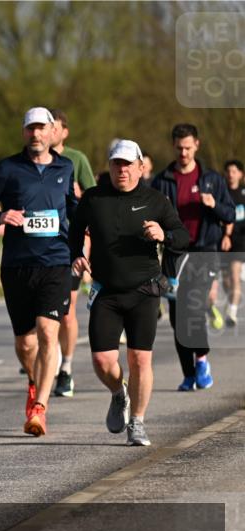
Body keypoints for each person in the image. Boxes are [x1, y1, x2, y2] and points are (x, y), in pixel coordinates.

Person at [70, 140, 188, 445]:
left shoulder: (156, 200)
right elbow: (73, 230)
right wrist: (75, 254)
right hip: (106, 292)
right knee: (102, 362)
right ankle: (117, 392)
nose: (121, 169)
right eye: (115, 163)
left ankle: (137, 422)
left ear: (140, 166)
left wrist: (165, 235)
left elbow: (182, 236)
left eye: (127, 164)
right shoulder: (94, 199)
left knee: (139, 360)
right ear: (109, 166)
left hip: (145, 291)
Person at [0, 107, 78, 437]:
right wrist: (1, 215)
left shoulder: (66, 167)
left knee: (49, 332)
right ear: (24, 133)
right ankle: (33, 381)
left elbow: (74, 212)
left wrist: (81, 249)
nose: (36, 134)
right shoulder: (8, 168)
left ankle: (40, 408)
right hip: (18, 265)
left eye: (41, 128)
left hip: (55, 262)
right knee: (25, 343)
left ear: (53, 132)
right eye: (30, 129)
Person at [150, 123, 235, 390]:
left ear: (197, 145)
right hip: (174, 253)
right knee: (177, 316)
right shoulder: (162, 181)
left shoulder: (212, 179)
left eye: (188, 147)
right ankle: (188, 374)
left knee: (194, 308)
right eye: (179, 148)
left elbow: (230, 214)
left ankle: (201, 359)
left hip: (203, 251)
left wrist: (214, 205)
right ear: (173, 146)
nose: (183, 153)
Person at [49, 109, 96, 398]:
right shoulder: (29, 162)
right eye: (44, 126)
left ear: (64, 131)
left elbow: (93, 198)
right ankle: (49, 359)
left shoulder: (76, 160)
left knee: (66, 312)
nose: (48, 131)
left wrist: (78, 196)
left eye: (54, 127)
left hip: (69, 241)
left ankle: (65, 368)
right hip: (39, 246)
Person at [221, 159, 244, 325]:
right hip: (223, 240)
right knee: (226, 280)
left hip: (240, 240)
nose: (231, 175)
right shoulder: (221, 193)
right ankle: (231, 302)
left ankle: (232, 312)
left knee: (235, 275)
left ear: (241, 174)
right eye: (228, 171)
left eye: (234, 171)